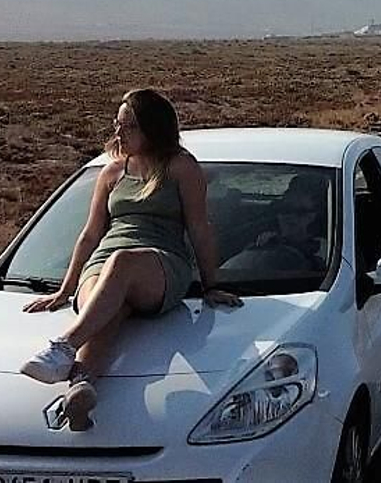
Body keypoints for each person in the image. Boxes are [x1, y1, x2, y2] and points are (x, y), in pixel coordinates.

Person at [19, 88, 242, 431]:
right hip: (105, 261)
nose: (118, 133)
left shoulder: (181, 167)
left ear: (153, 129)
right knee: (107, 305)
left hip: (160, 263)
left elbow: (199, 228)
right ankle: (80, 386)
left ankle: (63, 347)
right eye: (117, 124)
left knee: (122, 264)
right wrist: (65, 290)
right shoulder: (111, 173)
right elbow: (90, 235)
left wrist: (211, 285)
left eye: (129, 126)